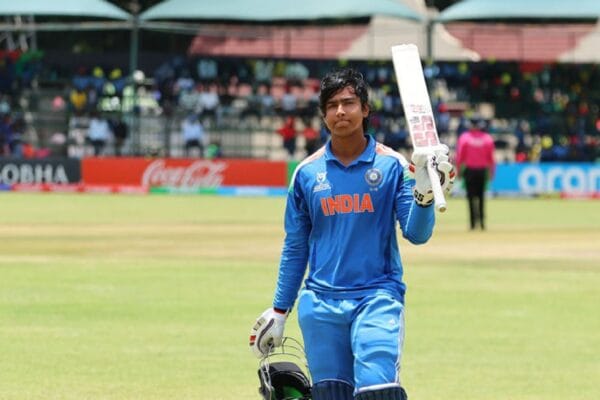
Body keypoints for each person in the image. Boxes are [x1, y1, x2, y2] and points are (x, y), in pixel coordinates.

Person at [249, 68, 454, 400]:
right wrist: (279, 309)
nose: (340, 111)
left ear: (365, 109)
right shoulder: (306, 173)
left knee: (378, 391)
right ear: (323, 114)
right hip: (320, 304)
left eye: (349, 103)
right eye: (332, 105)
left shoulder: (393, 165)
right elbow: (296, 247)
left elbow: (417, 233)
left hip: (377, 297)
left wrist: (425, 196)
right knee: (331, 394)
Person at [455, 116, 496, 230]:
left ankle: (473, 224)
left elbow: (460, 157)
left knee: (470, 198)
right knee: (481, 197)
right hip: (482, 171)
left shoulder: (464, 138)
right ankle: (482, 223)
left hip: (470, 172)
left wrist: (459, 171)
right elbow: (491, 159)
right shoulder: (487, 138)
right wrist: (492, 172)